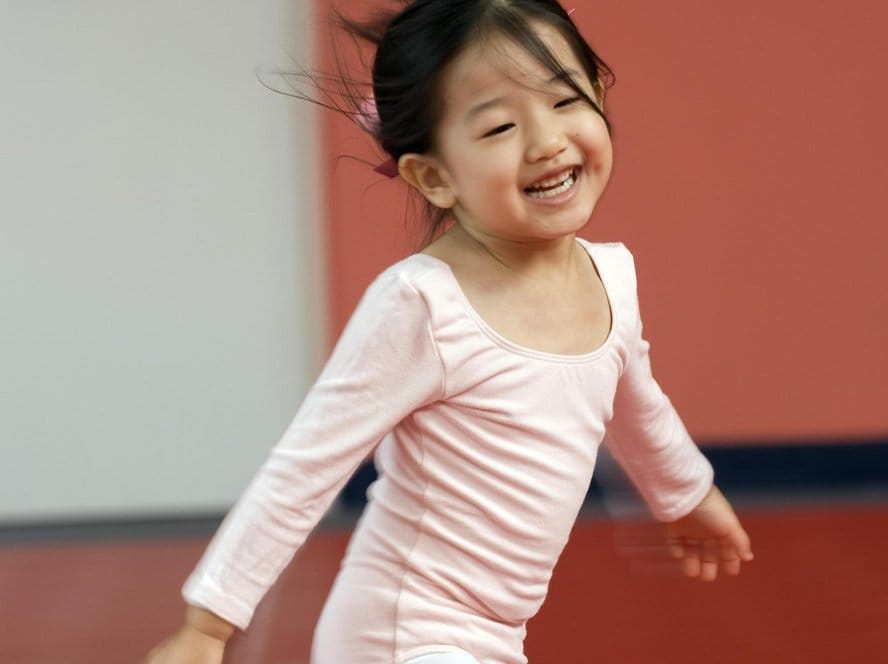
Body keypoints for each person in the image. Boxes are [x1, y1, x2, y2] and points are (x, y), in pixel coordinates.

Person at [144, 1, 753, 662]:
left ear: (601, 94)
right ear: (434, 177)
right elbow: (302, 472)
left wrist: (689, 494)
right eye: (498, 127)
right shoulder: (424, 306)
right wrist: (207, 626)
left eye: (565, 100)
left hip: (493, 635)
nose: (546, 140)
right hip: (403, 629)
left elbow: (635, 406)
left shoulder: (612, 277)